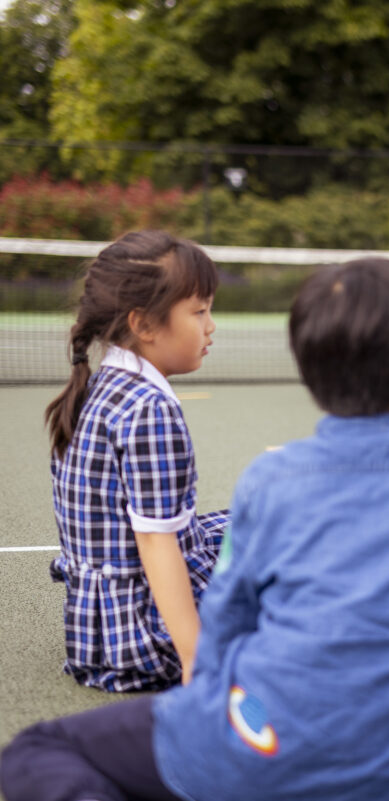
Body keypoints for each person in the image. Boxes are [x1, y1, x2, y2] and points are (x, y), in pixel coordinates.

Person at [2, 258, 389, 801]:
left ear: (309, 374)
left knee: (37, 749)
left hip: (249, 751)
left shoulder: (268, 478)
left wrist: (210, 707)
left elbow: (228, 619)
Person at [42, 230, 227, 692]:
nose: (211, 326)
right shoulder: (149, 409)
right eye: (199, 311)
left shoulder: (102, 385)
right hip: (142, 637)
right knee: (292, 563)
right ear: (143, 325)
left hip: (98, 626)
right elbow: (156, 545)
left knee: (259, 522)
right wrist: (196, 660)